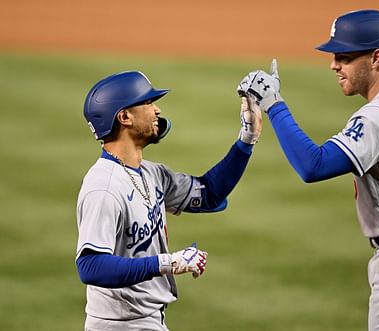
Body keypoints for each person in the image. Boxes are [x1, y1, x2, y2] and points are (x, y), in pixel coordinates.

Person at [237, 9, 379, 331]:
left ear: (376, 57)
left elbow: (313, 165)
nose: (334, 65)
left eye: (344, 56)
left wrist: (275, 104)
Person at [76, 70, 262, 330]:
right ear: (124, 117)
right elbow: (91, 266)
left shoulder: (152, 174)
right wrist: (168, 262)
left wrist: (247, 139)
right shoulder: (103, 187)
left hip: (147, 321)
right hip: (119, 325)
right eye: (148, 103)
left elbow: (208, 194)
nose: (157, 110)